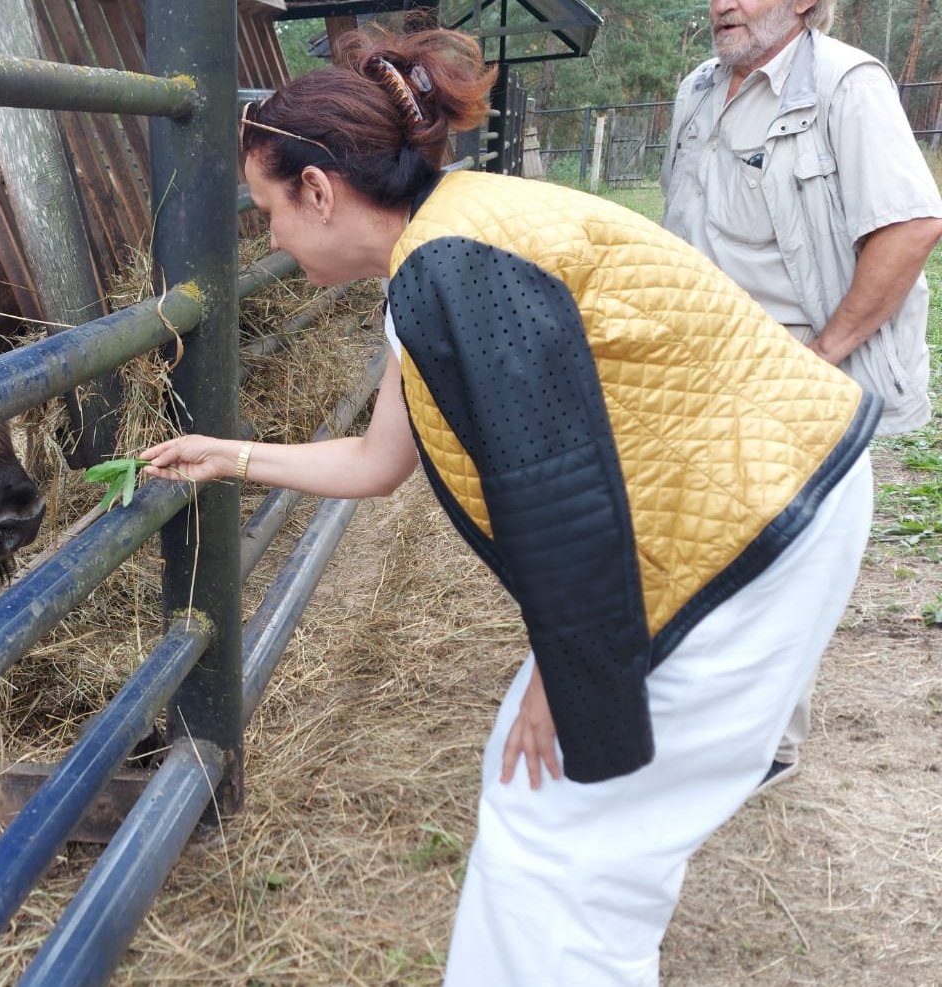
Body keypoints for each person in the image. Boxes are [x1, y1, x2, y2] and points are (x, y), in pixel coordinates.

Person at [141, 24, 879, 986]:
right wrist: (229, 453)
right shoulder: (447, 243)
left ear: (319, 192)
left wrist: (566, 679)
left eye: (268, 209)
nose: (269, 237)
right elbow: (378, 460)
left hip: (747, 527)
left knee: (562, 840)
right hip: (750, 499)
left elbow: (557, 490)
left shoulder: (457, 269)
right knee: (553, 812)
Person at [660, 0, 942, 790]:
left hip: (791, 360)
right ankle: (703, 714)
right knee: (701, 541)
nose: (724, 4)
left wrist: (823, 354)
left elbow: (911, 225)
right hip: (698, 358)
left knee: (780, 558)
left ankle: (766, 746)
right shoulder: (697, 88)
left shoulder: (849, 86)